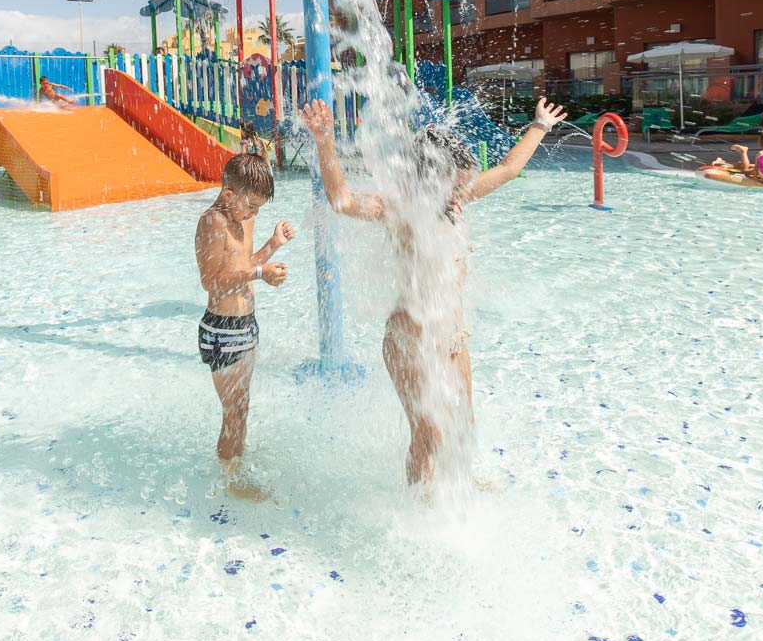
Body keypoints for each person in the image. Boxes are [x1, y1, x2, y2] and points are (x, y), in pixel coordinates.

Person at [299, 96, 568, 491]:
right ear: (431, 180)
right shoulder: (399, 210)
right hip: (409, 342)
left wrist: (540, 125)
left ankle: (462, 487)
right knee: (429, 435)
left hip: (452, 340)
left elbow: (509, 169)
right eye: (454, 185)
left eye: (463, 184)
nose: (461, 194)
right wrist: (325, 142)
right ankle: (420, 508)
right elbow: (342, 200)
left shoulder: (454, 202)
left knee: (463, 424)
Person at [193, 153, 293, 502]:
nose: (253, 214)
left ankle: (235, 464)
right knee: (233, 412)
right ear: (228, 192)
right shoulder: (213, 222)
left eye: (258, 209)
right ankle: (229, 481)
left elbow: (243, 264)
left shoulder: (243, 218)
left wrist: (272, 246)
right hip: (222, 331)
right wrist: (260, 274)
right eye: (250, 206)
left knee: (241, 407)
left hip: (246, 325)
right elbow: (211, 281)